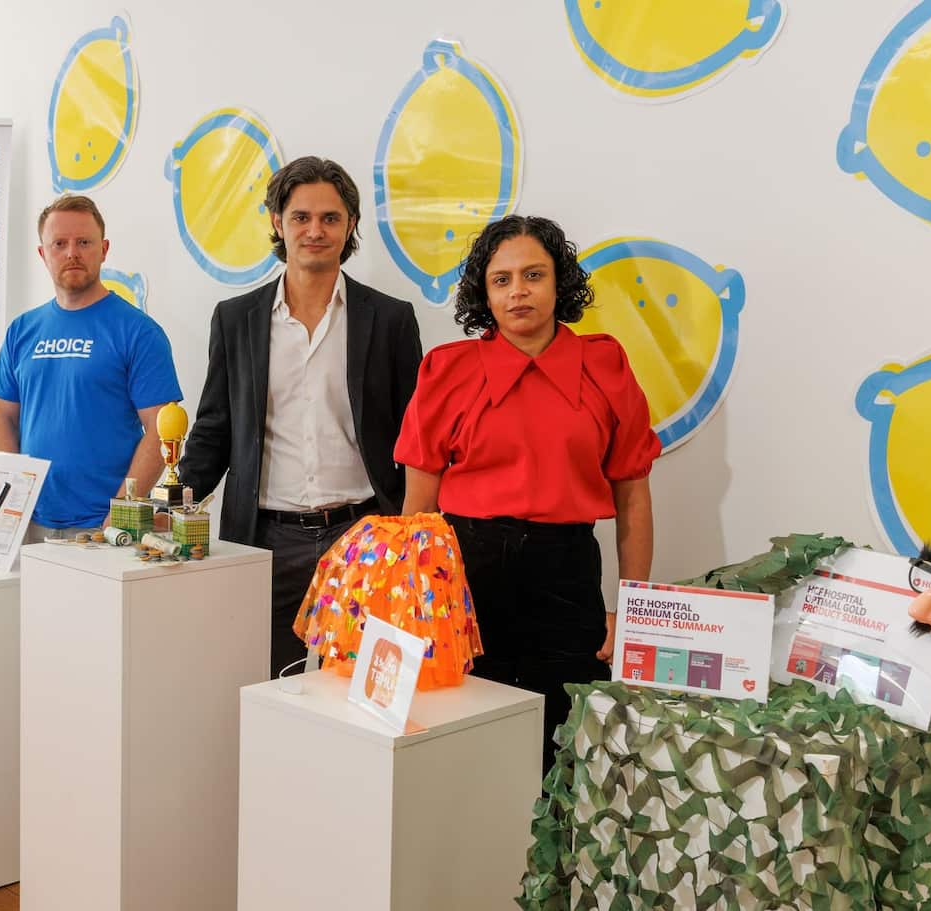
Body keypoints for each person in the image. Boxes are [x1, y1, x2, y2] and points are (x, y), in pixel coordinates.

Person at [395, 214, 660, 772]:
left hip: (566, 577)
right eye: (502, 279)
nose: (518, 291)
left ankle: (555, 861)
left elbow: (633, 496)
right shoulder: (447, 371)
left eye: (534, 275)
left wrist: (634, 608)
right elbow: (416, 512)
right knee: (460, 743)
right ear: (483, 294)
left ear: (559, 283)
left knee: (563, 747)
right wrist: (408, 608)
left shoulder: (606, 367)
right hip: (465, 576)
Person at [179, 156, 423, 678]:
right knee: (270, 687)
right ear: (276, 221)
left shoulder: (392, 319)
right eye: (301, 217)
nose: (315, 230)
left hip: (364, 536)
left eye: (331, 218)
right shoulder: (236, 319)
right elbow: (214, 430)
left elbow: (417, 439)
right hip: (265, 542)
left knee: (358, 692)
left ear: (351, 225)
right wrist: (166, 509)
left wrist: (413, 534)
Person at [0, 195, 183, 542]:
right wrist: (10, 496)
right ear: (42, 254)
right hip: (28, 521)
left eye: (84, 242)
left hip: (102, 526)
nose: (72, 253)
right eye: (59, 244)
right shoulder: (22, 330)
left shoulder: (137, 331)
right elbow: (2, 413)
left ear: (104, 249)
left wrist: (122, 510)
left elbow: (160, 428)